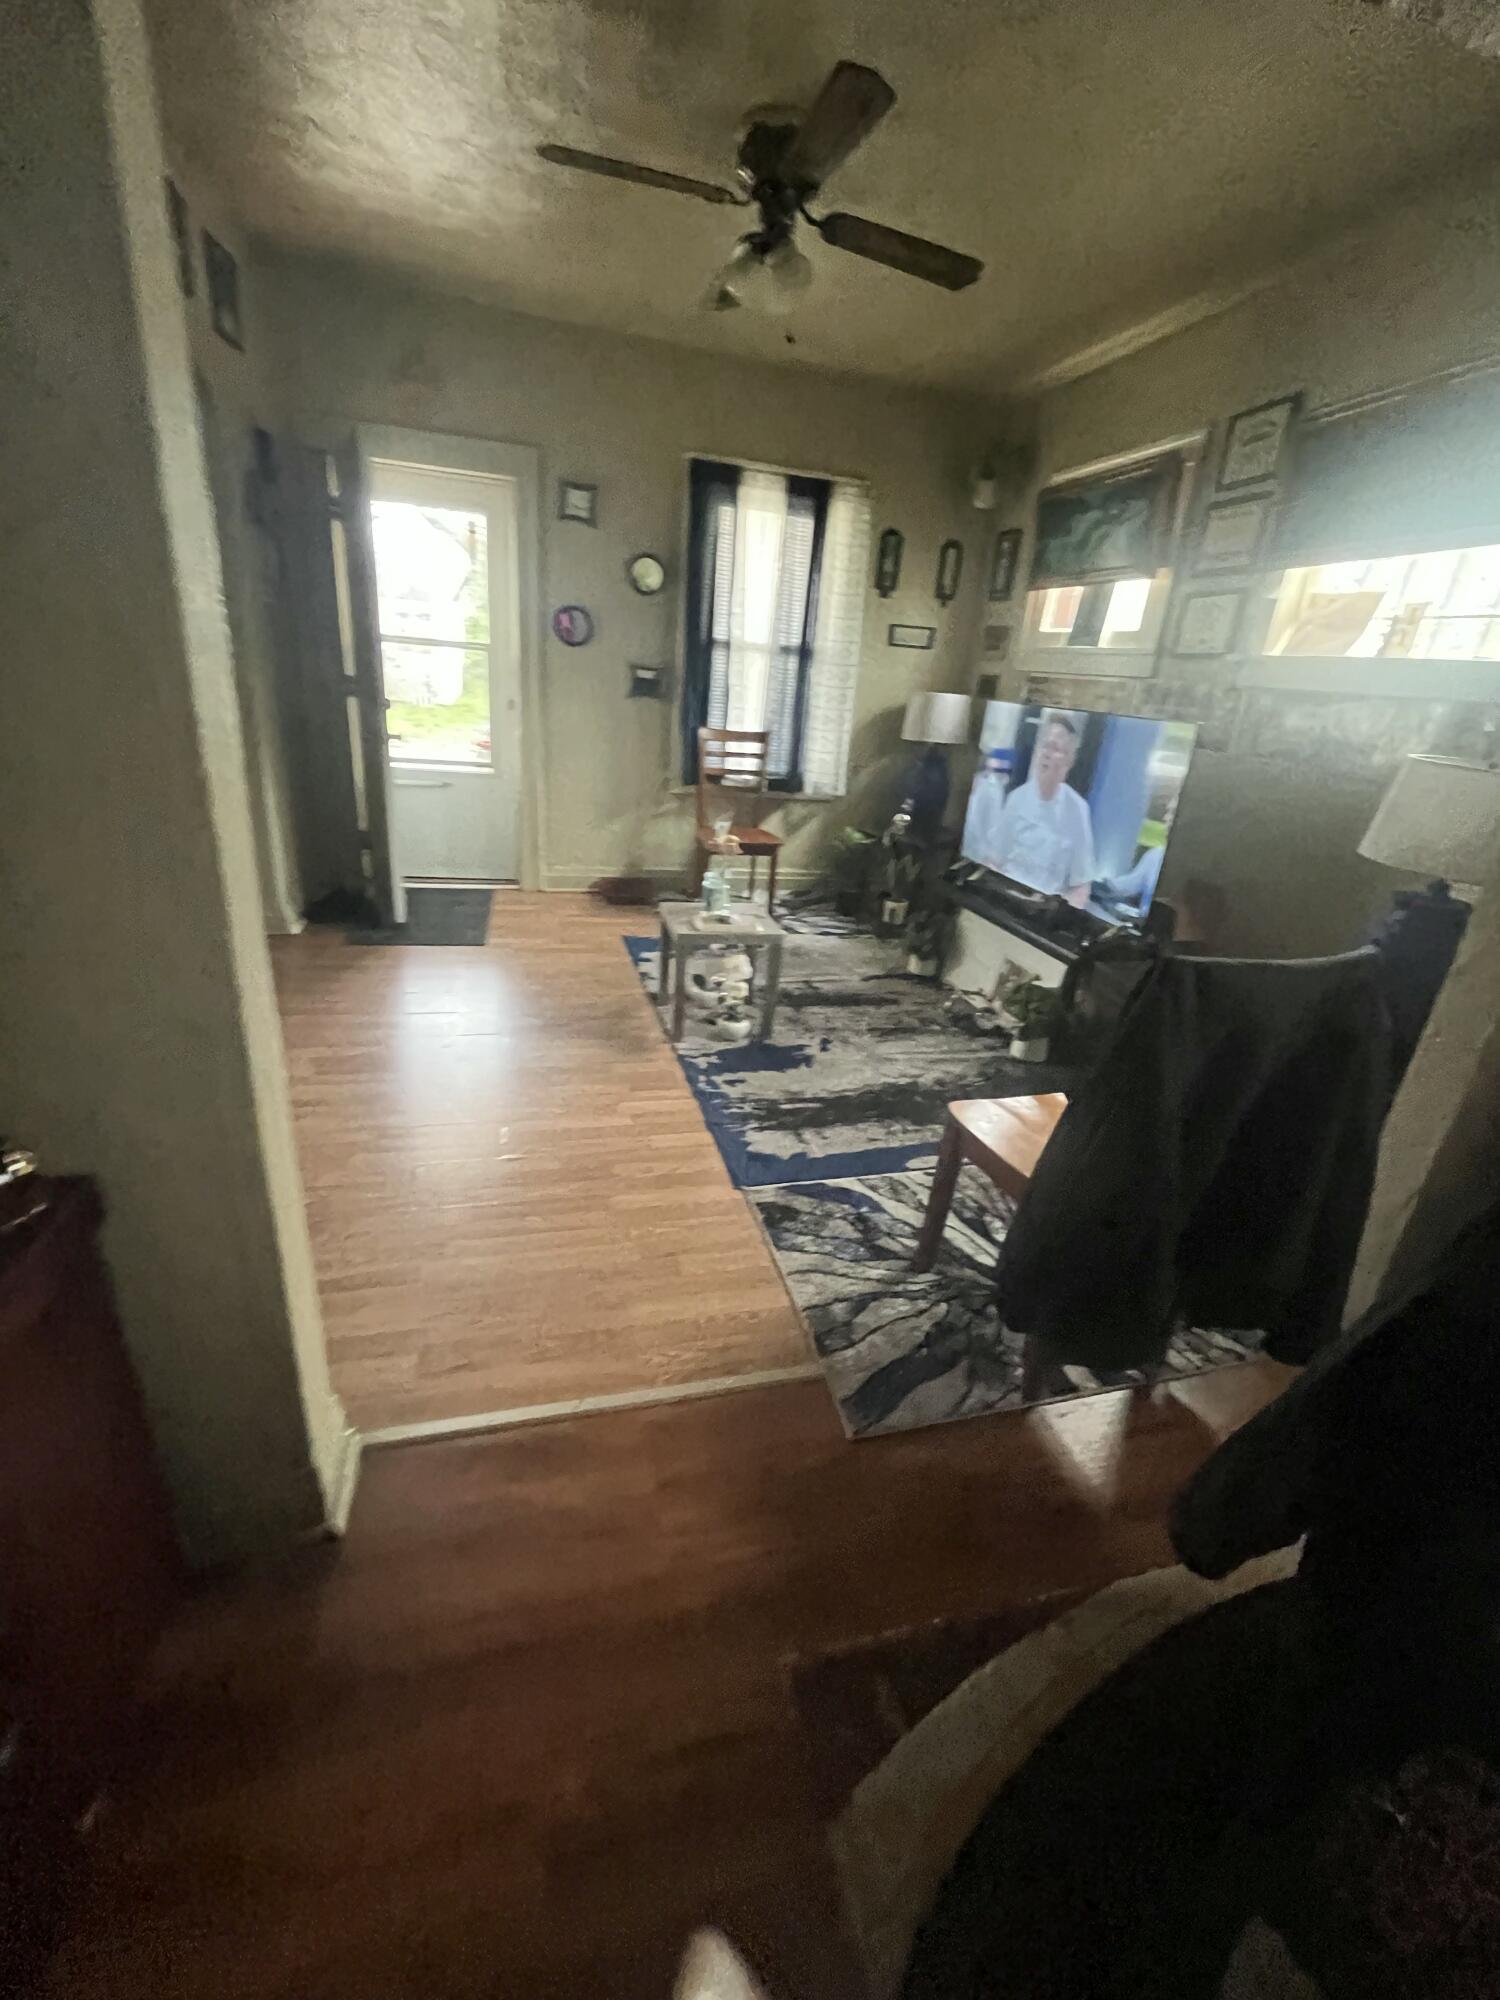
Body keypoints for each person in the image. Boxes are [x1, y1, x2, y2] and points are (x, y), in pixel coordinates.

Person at [983, 716, 1095, 906]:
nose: (1046, 754)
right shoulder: (1016, 798)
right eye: (1045, 746)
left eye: (1055, 748)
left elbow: (1081, 886)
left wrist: (1059, 913)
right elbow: (992, 860)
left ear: (1069, 760)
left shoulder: (1078, 810)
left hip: (1043, 914)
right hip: (1005, 901)